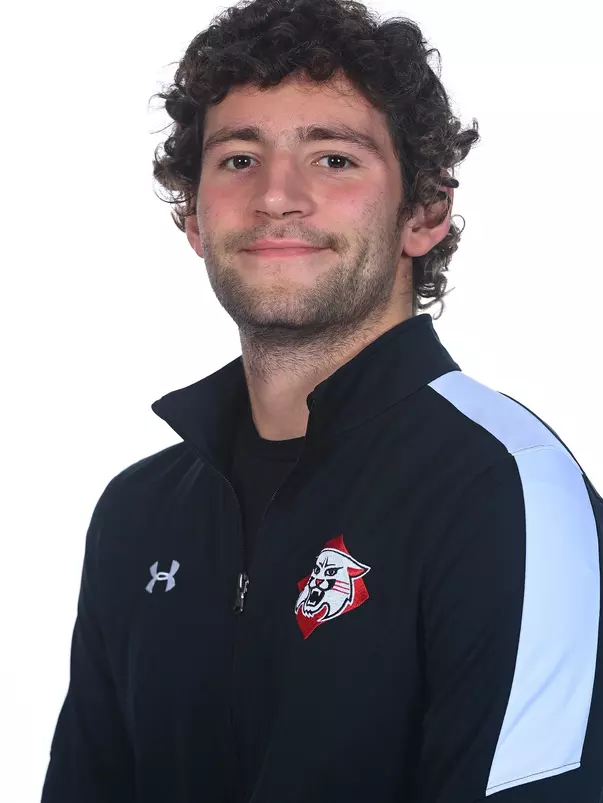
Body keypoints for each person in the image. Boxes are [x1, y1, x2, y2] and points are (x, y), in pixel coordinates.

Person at [42, 0, 603, 800]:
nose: (277, 196)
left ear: (424, 212)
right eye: (239, 158)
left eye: (333, 159)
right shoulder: (138, 513)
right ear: (192, 217)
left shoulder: (508, 486)